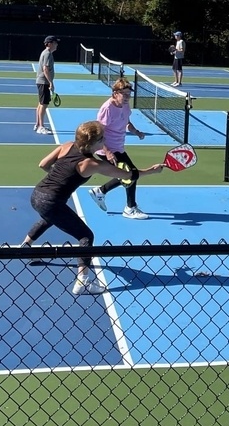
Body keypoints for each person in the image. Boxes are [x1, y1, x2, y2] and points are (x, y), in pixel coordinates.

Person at [20, 120, 164, 295]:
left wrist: (59, 179)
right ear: (92, 143)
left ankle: (25, 246)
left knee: (50, 217)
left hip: (37, 194)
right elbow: (128, 175)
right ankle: (82, 282)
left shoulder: (67, 146)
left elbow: (43, 164)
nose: (104, 141)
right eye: (102, 139)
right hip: (51, 202)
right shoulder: (92, 164)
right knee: (86, 236)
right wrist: (151, 170)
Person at [87, 77, 151, 219]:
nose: (128, 97)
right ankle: (130, 208)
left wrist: (136, 132)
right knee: (132, 174)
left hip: (118, 147)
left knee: (127, 174)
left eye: (129, 94)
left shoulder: (125, 105)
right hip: (106, 149)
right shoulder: (107, 109)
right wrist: (108, 152)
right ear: (115, 93)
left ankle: (100, 191)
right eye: (124, 94)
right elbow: (98, 133)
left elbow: (127, 122)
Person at [35, 35, 58, 134]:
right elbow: (45, 69)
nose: (57, 45)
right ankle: (41, 127)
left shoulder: (46, 53)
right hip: (43, 82)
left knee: (41, 104)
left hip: (42, 81)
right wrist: (50, 82)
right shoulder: (47, 54)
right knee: (44, 104)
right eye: (55, 43)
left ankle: (38, 124)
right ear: (49, 44)